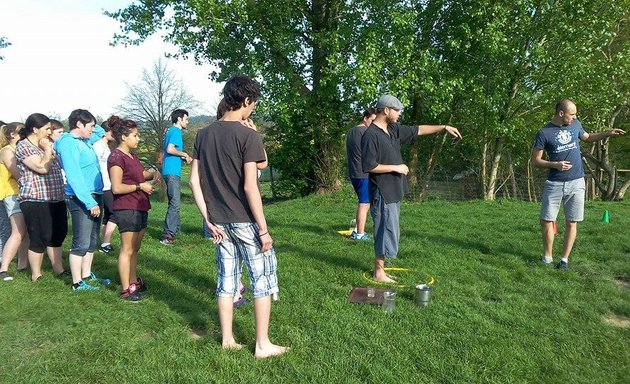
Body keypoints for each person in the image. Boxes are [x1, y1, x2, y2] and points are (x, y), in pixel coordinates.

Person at [189, 75, 288, 358]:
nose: (252, 109)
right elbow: (249, 185)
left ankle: (228, 340)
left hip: (218, 221)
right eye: (253, 104)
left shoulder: (203, 134)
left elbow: (195, 182)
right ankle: (262, 345)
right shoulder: (249, 135)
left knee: (226, 280)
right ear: (246, 100)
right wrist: (264, 229)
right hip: (245, 220)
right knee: (262, 280)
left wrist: (207, 219)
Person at [361, 95, 462, 283]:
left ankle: (382, 270)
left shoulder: (392, 129)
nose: (399, 114)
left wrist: (444, 127)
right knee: (384, 230)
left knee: (391, 229)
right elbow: (369, 166)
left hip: (394, 190)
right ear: (386, 110)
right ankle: (379, 273)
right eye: (397, 110)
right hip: (382, 190)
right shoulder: (371, 135)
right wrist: (396, 167)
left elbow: (419, 129)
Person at [531, 99, 626, 269]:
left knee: (571, 222)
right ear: (561, 114)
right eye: (572, 114)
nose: (575, 117)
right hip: (554, 183)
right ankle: (547, 258)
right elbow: (536, 161)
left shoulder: (575, 125)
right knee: (546, 220)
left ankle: (564, 260)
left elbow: (588, 137)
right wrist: (555, 165)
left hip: (576, 182)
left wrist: (608, 133)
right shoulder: (544, 133)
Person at [55, 109, 110, 290]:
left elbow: (103, 132)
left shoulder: (85, 141)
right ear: (78, 124)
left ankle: (87, 275)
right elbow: (74, 175)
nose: (93, 130)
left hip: (95, 194)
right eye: (90, 126)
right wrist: (89, 201)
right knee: (81, 241)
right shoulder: (69, 143)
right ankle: (77, 283)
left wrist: (94, 127)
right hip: (81, 198)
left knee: (92, 240)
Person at [107, 115, 160, 301]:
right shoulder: (116, 158)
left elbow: (139, 174)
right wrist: (140, 186)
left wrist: (152, 173)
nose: (138, 139)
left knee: (135, 248)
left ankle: (133, 282)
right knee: (127, 249)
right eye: (135, 135)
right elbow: (117, 187)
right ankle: (125, 289)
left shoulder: (132, 156)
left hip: (140, 206)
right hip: (126, 208)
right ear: (124, 137)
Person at [15, 113, 67, 281]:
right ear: (35, 129)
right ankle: (36, 274)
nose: (49, 132)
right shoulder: (24, 146)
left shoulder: (48, 145)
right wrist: (47, 150)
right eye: (46, 129)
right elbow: (41, 167)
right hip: (35, 198)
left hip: (56, 197)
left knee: (58, 234)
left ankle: (59, 269)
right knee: (40, 236)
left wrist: (49, 149)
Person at [0, 122, 30, 280]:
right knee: (18, 232)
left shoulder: (16, 149)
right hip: (11, 193)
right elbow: (18, 174)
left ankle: (22, 265)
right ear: (12, 134)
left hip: (21, 193)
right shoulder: (6, 151)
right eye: (22, 132)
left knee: (25, 231)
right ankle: (3, 268)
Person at [160, 109, 192, 245]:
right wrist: (184, 154)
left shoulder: (170, 131)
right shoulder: (176, 131)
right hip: (172, 172)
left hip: (170, 170)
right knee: (175, 204)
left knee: (175, 203)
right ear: (179, 119)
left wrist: (182, 157)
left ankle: (174, 232)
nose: (188, 122)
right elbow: (170, 149)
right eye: (186, 119)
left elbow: (171, 151)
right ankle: (167, 236)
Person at [346, 108, 376, 241]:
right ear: (365, 118)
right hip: (363, 173)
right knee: (364, 204)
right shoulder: (364, 131)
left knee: (363, 202)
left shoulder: (352, 131)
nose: (374, 124)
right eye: (372, 120)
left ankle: (357, 229)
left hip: (354, 172)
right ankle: (360, 234)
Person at [91, 122, 118, 254]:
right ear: (105, 132)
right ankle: (105, 243)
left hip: (110, 183)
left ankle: (103, 241)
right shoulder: (97, 146)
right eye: (112, 132)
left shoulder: (108, 146)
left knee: (108, 215)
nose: (115, 135)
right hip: (104, 185)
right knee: (114, 214)